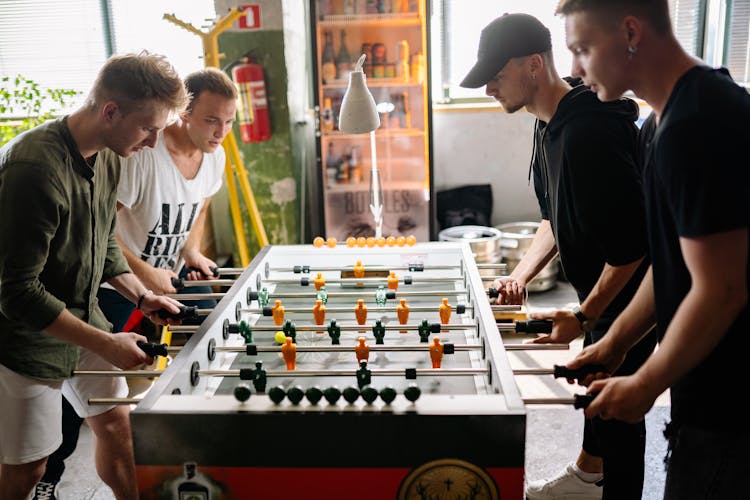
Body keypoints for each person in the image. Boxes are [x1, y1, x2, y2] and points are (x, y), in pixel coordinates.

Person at [557, 1, 750, 498]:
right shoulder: (656, 126)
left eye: (582, 50)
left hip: (733, 405)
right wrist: (615, 343)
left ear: (630, 32)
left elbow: (722, 289)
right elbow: (671, 266)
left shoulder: (702, 120)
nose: (575, 70)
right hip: (701, 394)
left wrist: (645, 385)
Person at [460, 13, 656, 500]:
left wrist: (583, 312)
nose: (488, 89)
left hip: (634, 300)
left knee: (618, 410)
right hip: (598, 291)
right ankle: (588, 478)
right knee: (597, 389)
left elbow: (632, 249)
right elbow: (554, 214)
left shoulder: (586, 135)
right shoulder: (547, 123)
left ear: (532, 65)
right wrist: (521, 275)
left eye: (494, 76)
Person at [34, 67, 238, 498]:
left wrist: (189, 254)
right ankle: (48, 479)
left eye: (230, 121)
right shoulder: (136, 155)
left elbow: (197, 208)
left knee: (114, 413)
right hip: (108, 290)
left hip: (149, 287)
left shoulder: (213, 156)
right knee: (71, 410)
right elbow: (103, 230)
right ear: (184, 113)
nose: (222, 132)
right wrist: (145, 279)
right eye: (211, 120)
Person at [0, 52, 188, 500]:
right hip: (24, 337)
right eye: (148, 128)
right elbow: (17, 294)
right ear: (110, 111)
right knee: (30, 467)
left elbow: (101, 239)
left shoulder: (110, 155)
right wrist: (107, 343)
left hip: (83, 315)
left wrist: (141, 296)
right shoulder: (33, 170)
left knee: (117, 427)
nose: (153, 142)